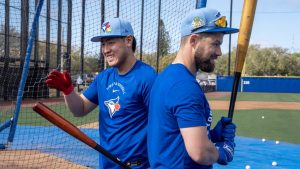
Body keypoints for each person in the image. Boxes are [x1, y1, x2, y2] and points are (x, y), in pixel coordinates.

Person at [46, 18, 157, 169]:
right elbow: (80, 109)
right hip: (106, 164)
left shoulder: (147, 77)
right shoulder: (103, 78)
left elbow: (161, 123)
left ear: (128, 41)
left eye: (111, 42)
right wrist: (68, 90)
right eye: (103, 44)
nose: (105, 50)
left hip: (137, 165)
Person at [148, 8, 238, 169]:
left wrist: (210, 135)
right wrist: (222, 152)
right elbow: (200, 153)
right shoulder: (184, 86)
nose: (219, 52)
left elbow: (172, 133)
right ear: (193, 41)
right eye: (215, 44)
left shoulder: (167, 76)